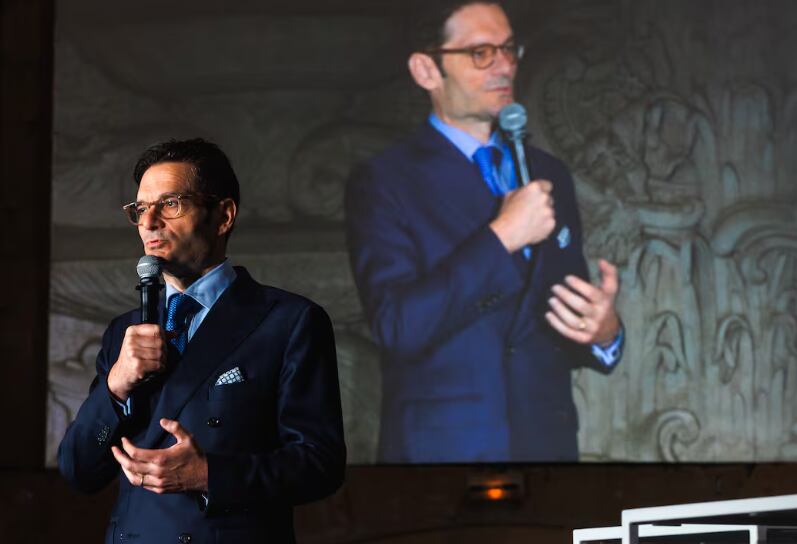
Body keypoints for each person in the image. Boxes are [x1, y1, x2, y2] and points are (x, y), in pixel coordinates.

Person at [345, 0, 624, 463]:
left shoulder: (547, 172)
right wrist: (502, 238)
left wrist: (603, 333)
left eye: (510, 49)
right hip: (442, 455)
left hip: (547, 451)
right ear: (426, 70)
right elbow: (397, 325)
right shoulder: (385, 180)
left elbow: (548, 320)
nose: (504, 65)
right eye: (481, 53)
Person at [58, 139, 345, 543]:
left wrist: (209, 474)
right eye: (140, 209)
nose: (149, 221)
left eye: (171, 203)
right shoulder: (123, 332)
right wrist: (116, 386)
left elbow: (321, 465)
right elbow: (78, 471)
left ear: (223, 215)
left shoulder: (289, 321)